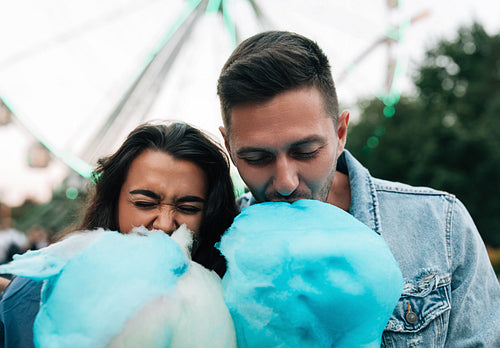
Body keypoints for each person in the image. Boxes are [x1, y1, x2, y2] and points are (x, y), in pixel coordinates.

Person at [216, 30, 500, 347]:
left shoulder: (440, 226)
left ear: (340, 133)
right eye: (257, 157)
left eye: (306, 152)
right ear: (229, 146)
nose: (285, 182)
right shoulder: (212, 241)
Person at [0, 121, 238, 347]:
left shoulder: (233, 294)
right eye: (145, 203)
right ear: (113, 203)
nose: (165, 224)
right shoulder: (41, 293)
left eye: (188, 209)